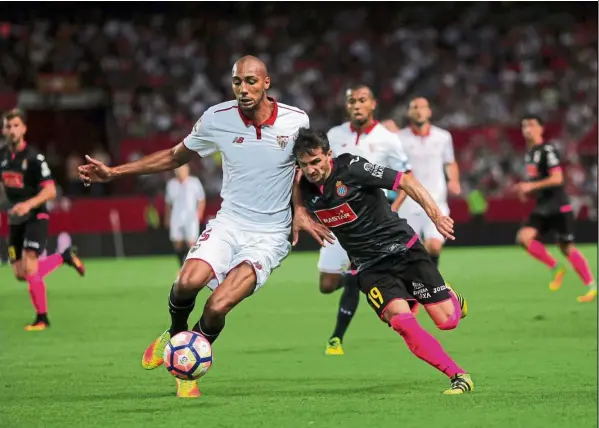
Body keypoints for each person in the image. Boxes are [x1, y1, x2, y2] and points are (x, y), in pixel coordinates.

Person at [78, 56, 332, 398]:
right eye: (237, 82)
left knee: (216, 306)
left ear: (267, 83)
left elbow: (302, 168)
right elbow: (174, 156)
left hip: (270, 235)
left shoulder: (296, 120)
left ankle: (186, 369)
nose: (243, 89)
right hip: (230, 221)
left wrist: (299, 209)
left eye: (251, 82)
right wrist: (115, 172)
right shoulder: (216, 119)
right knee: (186, 283)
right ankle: (175, 333)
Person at [293, 128, 473, 395]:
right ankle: (458, 375)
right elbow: (293, 184)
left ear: (329, 155)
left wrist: (436, 216)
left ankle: (451, 297)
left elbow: (406, 182)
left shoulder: (353, 168)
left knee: (447, 322)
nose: (311, 169)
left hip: (403, 250)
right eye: (305, 165)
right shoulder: (302, 185)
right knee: (402, 322)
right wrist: (299, 209)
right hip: (369, 267)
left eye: (316, 161)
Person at [320, 85, 411, 355]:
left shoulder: (388, 138)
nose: (356, 105)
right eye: (351, 101)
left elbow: (406, 177)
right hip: (337, 218)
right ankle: (389, 281)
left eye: (362, 100)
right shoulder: (334, 136)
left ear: (373, 104)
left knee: (353, 272)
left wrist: (391, 209)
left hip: (370, 223)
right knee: (326, 285)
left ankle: (336, 338)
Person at [0, 108, 85, 331]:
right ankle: (64, 256)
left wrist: (27, 204)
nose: (12, 130)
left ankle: (42, 318)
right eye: (8, 126)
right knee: (20, 273)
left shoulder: (34, 158)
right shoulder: (2, 157)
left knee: (30, 268)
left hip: (35, 216)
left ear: (24, 129)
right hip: (15, 220)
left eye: (16, 125)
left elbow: (50, 191)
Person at [513, 115, 596, 302]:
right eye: (524, 125)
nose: (527, 129)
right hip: (543, 206)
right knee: (523, 238)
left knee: (566, 247)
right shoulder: (530, 154)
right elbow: (538, 183)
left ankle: (591, 286)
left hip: (558, 205)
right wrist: (526, 191)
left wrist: (530, 187)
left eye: (532, 125)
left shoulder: (547, 150)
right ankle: (555, 266)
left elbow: (558, 178)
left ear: (541, 129)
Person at [383, 97, 461, 268]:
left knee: (434, 246)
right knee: (411, 252)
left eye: (423, 107)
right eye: (414, 107)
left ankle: (431, 281)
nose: (419, 110)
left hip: (436, 201)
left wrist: (454, 180)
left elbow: (450, 162)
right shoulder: (398, 138)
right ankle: (429, 285)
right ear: (409, 112)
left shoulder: (443, 137)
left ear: (429, 111)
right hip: (408, 203)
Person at [165, 164, 206, 266]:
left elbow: (201, 199)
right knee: (177, 242)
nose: (180, 172)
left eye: (182, 170)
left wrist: (199, 213)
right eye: (178, 170)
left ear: (187, 171)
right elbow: (168, 203)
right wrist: (167, 217)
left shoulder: (194, 182)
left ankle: (191, 265)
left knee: (191, 242)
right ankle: (181, 264)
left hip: (191, 216)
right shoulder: (171, 184)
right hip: (176, 216)